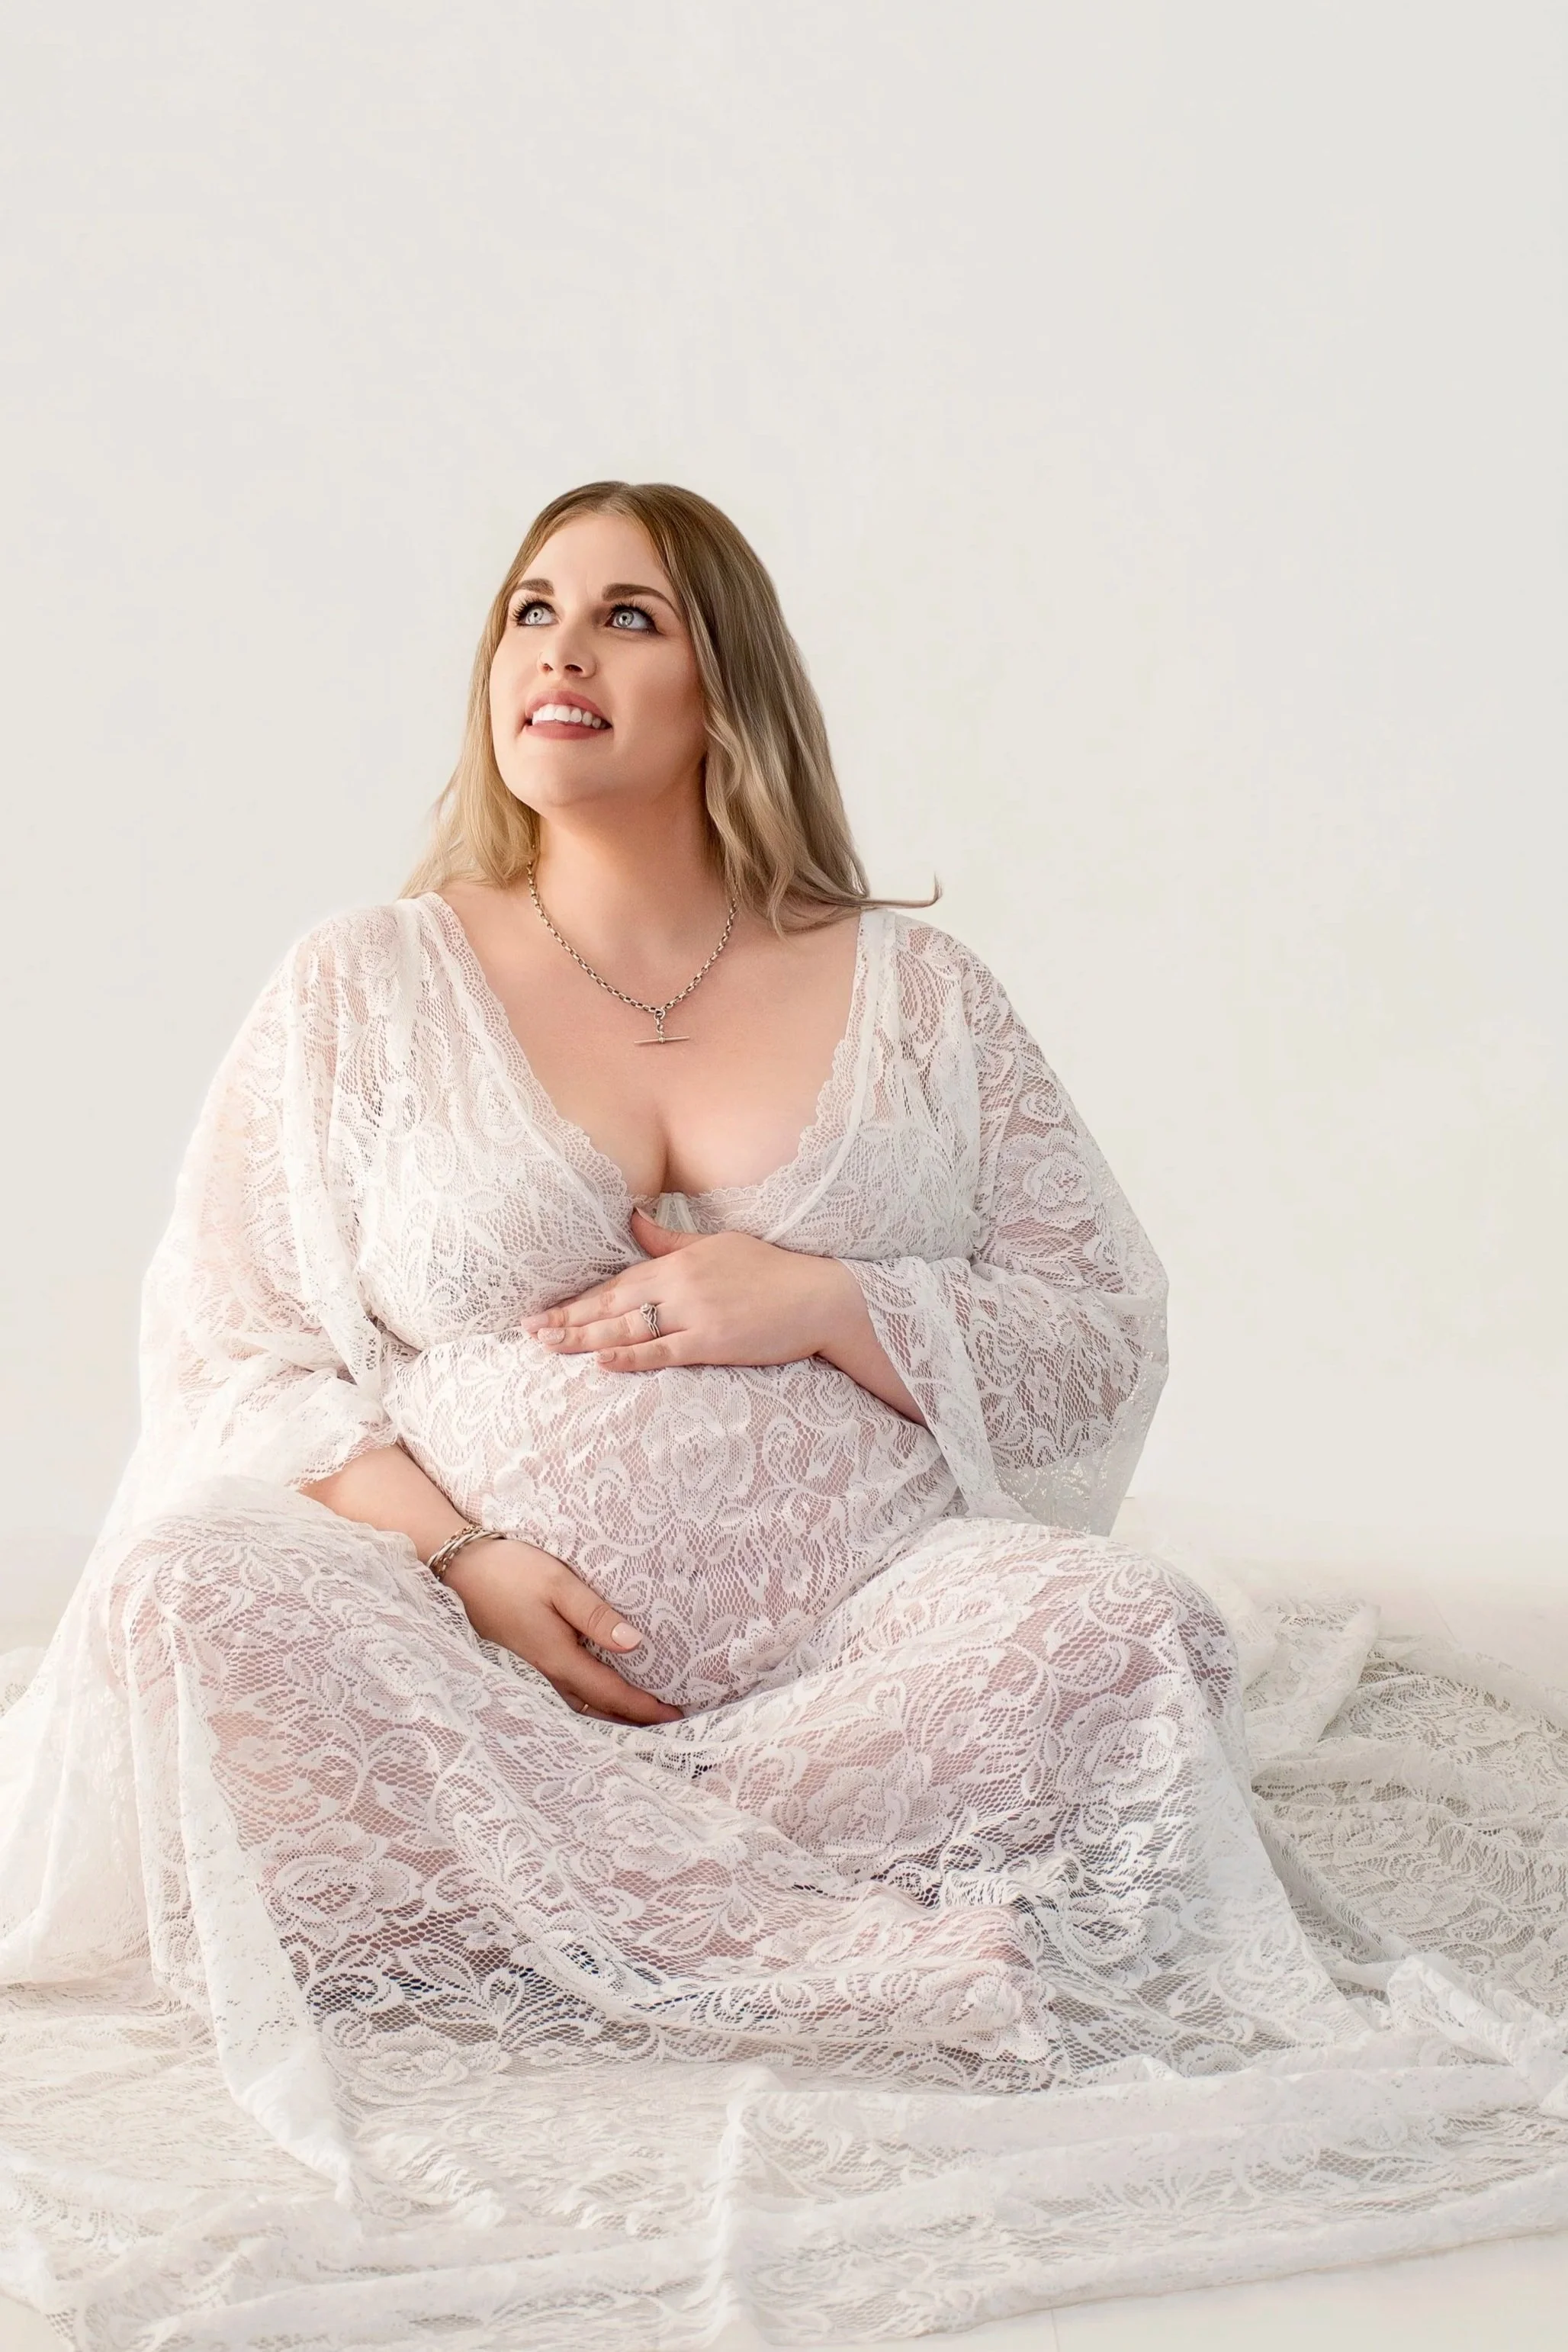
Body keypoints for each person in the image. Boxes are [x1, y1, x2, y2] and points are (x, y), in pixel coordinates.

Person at [2, 482, 1565, 2349]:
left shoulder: (914, 993)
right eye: (528, 611)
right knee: (183, 1586)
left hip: (853, 1648)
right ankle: (804, 1935)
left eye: (627, 616)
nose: (558, 649)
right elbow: (234, 1343)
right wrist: (465, 1555)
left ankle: (567, 1901)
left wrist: (828, 1301)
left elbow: (1098, 1327)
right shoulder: (365, 984)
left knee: (1128, 1633)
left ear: (725, 682)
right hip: (458, 1656)